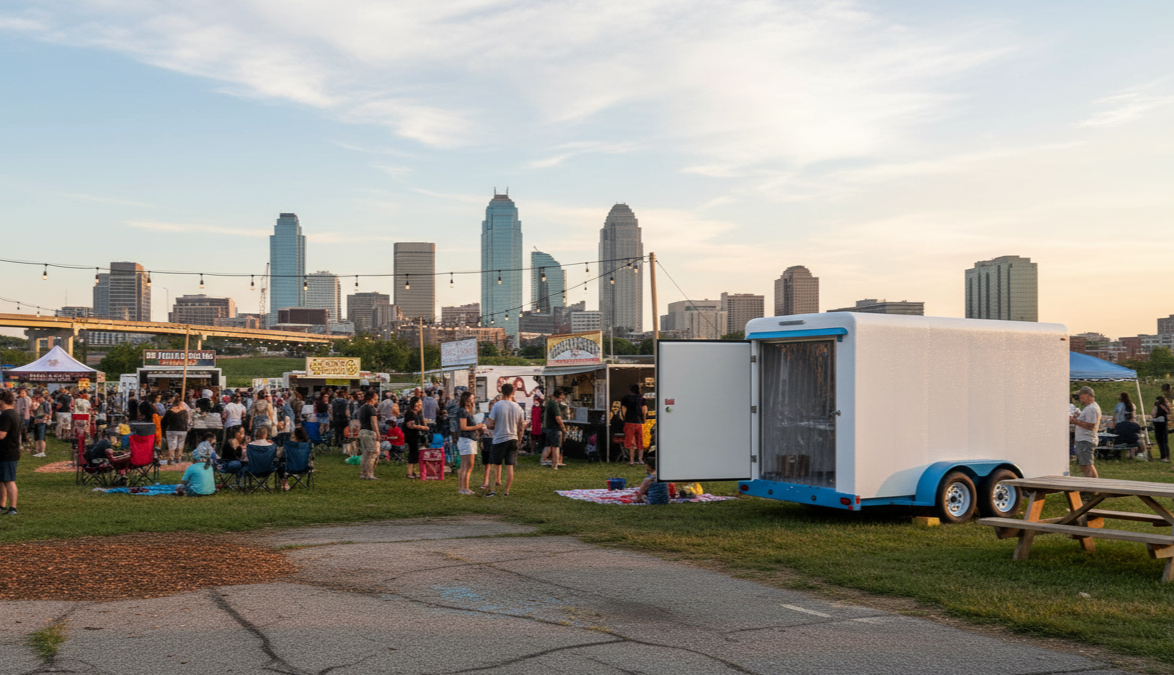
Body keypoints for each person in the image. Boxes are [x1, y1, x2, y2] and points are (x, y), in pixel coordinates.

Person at [485, 382, 525, 497]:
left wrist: (496, 425)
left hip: (499, 438)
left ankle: (491, 490)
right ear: (513, 392)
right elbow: (521, 426)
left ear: (501, 391)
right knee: (510, 465)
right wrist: (519, 440)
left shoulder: (497, 405)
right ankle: (506, 491)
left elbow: (489, 423)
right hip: (513, 438)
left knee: (494, 464)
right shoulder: (517, 407)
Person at [455, 391, 486, 495]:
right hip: (466, 439)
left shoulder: (468, 411)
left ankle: (463, 488)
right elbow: (463, 427)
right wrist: (477, 427)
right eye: (471, 399)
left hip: (469, 439)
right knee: (467, 465)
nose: (473, 401)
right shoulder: (463, 411)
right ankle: (464, 488)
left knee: (466, 465)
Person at [1070, 386, 1102, 479]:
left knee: (1087, 465)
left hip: (1086, 439)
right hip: (1084, 439)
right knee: (1084, 464)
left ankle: (1093, 487)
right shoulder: (1089, 408)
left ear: (1087, 395)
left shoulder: (1091, 408)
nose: (1080, 399)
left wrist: (1074, 421)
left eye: (1081, 396)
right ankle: (1091, 486)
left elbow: (1090, 425)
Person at [0, 391, 22, 515]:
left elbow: (2, 434)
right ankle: (1, 505)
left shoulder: (6, 415)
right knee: (2, 480)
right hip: (7, 451)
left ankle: (12, 508)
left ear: (2, 401)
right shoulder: (13, 413)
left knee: (9, 480)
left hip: (8, 451)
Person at [401, 396, 429, 479]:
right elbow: (410, 425)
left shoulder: (418, 414)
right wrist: (421, 427)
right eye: (418, 403)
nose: (420, 405)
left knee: (416, 453)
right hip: (411, 436)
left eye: (421, 404)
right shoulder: (410, 413)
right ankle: (409, 472)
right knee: (413, 453)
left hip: (416, 436)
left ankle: (413, 471)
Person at [621, 384, 648, 466]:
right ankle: (640, 459)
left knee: (631, 441)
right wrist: (644, 418)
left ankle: (631, 460)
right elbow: (644, 409)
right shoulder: (641, 398)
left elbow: (623, 409)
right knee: (640, 440)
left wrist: (624, 418)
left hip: (629, 421)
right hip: (639, 422)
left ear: (630, 390)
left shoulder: (626, 398)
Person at [357, 390, 381, 480]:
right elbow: (374, 422)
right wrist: (378, 433)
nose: (376, 401)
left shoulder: (362, 407)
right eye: (376, 399)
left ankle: (363, 473)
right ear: (371, 399)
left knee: (365, 454)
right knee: (372, 454)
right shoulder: (371, 408)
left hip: (362, 431)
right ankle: (370, 474)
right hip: (369, 432)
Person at [543, 390, 568, 470]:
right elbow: (558, 417)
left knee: (549, 446)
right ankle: (555, 465)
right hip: (555, 428)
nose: (563, 398)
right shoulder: (554, 404)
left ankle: (543, 460)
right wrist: (563, 428)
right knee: (556, 447)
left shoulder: (550, 402)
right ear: (559, 395)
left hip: (549, 427)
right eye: (562, 396)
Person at [160, 396, 189, 465]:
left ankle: (171, 459)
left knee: (171, 444)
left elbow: (164, 422)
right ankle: (178, 458)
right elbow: (186, 422)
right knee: (180, 444)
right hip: (182, 430)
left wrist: (163, 431)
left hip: (171, 429)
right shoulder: (184, 412)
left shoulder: (169, 412)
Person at [31, 391, 51, 457]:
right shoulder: (42, 404)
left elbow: (46, 414)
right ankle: (38, 451)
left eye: (39, 398)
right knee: (38, 437)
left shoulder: (44, 404)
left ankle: (42, 452)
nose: (38, 399)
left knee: (41, 437)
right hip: (38, 421)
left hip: (41, 422)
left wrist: (42, 420)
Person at [1152, 396, 1171, 463]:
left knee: (1163, 441)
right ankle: (1163, 456)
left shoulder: (1161, 406)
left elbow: (1153, 414)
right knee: (1161, 441)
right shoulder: (1159, 406)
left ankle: (1165, 456)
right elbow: (1153, 414)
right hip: (1160, 425)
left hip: (1160, 425)